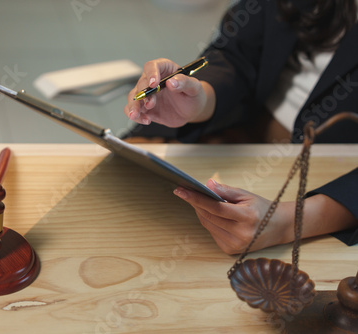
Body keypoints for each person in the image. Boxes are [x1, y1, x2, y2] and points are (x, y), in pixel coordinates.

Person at [124, 0, 358, 254]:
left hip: (331, 182)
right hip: (235, 126)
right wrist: (200, 100)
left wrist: (290, 222)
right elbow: (236, 52)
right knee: (123, 181)